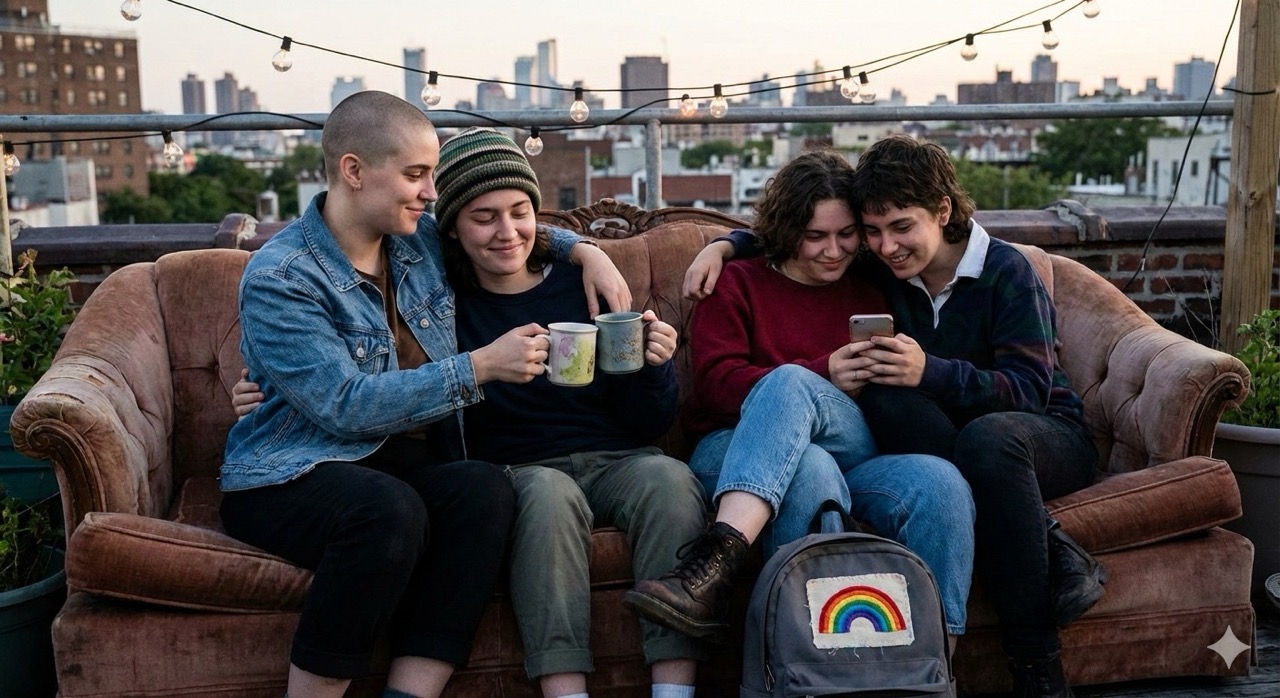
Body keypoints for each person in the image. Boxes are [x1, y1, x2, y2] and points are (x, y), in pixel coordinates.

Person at [220, 92, 629, 698]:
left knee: (483, 489)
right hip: (291, 470)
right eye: (415, 175)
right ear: (354, 171)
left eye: (432, 174)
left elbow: (498, 222)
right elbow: (344, 406)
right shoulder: (282, 276)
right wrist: (481, 367)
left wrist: (584, 249)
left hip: (394, 462)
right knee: (387, 510)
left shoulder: (414, 240)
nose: (431, 191)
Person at [685, 135, 1104, 698]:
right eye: (873, 232)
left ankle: (976, 667)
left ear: (944, 211)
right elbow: (798, 235)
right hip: (866, 440)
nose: (881, 246)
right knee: (865, 409)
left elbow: (1029, 392)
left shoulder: (1004, 272)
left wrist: (929, 371)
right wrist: (726, 245)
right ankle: (797, 651)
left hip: (1037, 432)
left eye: (898, 228)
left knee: (971, 451)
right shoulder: (885, 273)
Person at [621, 150, 975, 651]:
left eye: (847, 234)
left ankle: (935, 664)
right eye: (815, 237)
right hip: (734, 447)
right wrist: (822, 371)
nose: (833, 251)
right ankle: (799, 657)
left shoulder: (870, 288)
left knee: (942, 484)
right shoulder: (737, 284)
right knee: (802, 438)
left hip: (850, 444)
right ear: (788, 230)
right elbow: (717, 386)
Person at [436, 127, 708, 698]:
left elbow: (644, 423)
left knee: (669, 477)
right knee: (550, 499)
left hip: (617, 455)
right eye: (483, 217)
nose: (507, 232)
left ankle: (674, 688)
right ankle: (566, 689)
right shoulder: (440, 306)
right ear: (454, 226)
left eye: (519, 211)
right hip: (519, 467)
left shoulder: (579, 286)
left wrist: (653, 366)